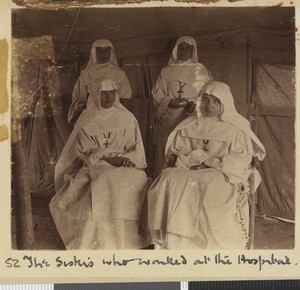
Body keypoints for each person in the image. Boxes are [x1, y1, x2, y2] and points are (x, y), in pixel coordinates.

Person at [147, 81, 266, 250]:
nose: (209, 106)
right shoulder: (189, 125)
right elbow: (177, 150)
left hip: (223, 172)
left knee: (211, 188)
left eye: (215, 102)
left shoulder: (237, 128)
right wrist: (193, 161)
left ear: (224, 103)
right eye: (206, 100)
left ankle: (207, 244)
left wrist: (209, 163)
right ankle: (172, 240)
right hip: (190, 168)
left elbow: (240, 159)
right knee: (167, 179)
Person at [50, 79, 148, 249]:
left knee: (138, 177)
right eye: (103, 94)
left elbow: (136, 146)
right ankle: (103, 239)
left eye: (111, 93)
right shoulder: (86, 120)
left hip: (124, 162)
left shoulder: (127, 117)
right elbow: (83, 151)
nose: (108, 97)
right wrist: (109, 158)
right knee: (105, 178)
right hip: (97, 164)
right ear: (96, 95)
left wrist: (125, 159)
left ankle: (125, 237)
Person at [151, 36, 213, 178]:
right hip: (169, 117)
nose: (184, 50)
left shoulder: (201, 72)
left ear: (193, 50)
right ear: (176, 50)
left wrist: (188, 102)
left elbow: (207, 95)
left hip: (191, 116)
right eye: (181, 47)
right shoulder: (166, 71)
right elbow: (156, 93)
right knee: (166, 150)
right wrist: (170, 101)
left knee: (187, 150)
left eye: (188, 47)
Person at [68, 39, 132, 125]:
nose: (103, 54)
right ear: (94, 52)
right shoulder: (86, 73)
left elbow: (126, 97)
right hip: (91, 118)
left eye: (106, 51)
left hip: (114, 117)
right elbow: (78, 97)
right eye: (99, 51)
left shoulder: (120, 74)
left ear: (111, 52)